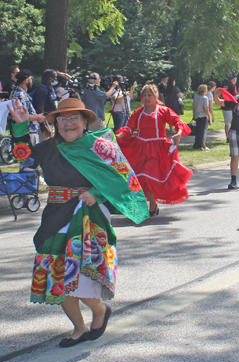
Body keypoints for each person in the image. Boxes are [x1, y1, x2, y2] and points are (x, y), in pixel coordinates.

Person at [8, 97, 149, 347]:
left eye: (75, 118)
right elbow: (24, 159)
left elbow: (125, 178)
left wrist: (97, 193)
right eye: (63, 119)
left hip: (88, 217)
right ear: (56, 124)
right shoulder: (49, 147)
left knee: (82, 280)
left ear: (85, 122)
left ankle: (100, 310)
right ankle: (78, 327)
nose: (69, 124)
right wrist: (19, 127)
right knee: (58, 278)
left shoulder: (101, 147)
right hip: (55, 217)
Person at [115, 84, 192, 215]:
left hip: (158, 149)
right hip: (140, 149)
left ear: (155, 96)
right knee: (141, 177)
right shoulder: (138, 113)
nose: (146, 98)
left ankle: (152, 205)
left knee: (149, 174)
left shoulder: (163, 111)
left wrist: (179, 133)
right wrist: (121, 134)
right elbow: (130, 127)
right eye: (144, 95)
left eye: (149, 95)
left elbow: (177, 122)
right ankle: (152, 204)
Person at [9, 69, 45, 146]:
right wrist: (38, 117)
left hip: (27, 132)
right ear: (26, 80)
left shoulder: (15, 92)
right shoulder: (20, 94)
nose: (32, 81)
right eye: (31, 78)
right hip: (28, 133)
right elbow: (22, 116)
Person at [192, 84, 211, 150]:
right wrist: (209, 117)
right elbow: (206, 108)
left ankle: (196, 144)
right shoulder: (205, 98)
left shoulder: (196, 97)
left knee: (198, 131)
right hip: (203, 116)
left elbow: (194, 107)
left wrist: (194, 115)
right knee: (202, 131)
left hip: (197, 115)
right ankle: (200, 145)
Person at [221, 74, 238, 141]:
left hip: (224, 104)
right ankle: (232, 137)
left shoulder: (226, 85)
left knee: (227, 123)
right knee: (233, 122)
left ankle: (228, 137)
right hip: (230, 106)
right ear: (234, 79)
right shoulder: (233, 85)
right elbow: (235, 95)